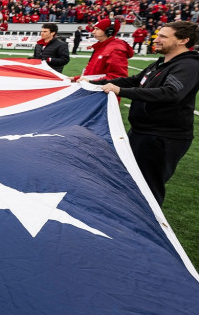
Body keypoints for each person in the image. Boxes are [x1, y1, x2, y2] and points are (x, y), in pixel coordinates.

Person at [99, 21, 199, 205]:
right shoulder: (162, 62)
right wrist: (97, 84)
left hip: (162, 137)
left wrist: (120, 91)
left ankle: (147, 228)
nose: (157, 39)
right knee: (131, 182)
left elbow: (171, 93)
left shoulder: (189, 65)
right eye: (158, 35)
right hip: (142, 131)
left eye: (163, 36)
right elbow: (135, 81)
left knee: (147, 188)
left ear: (183, 40)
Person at [72, 18, 132, 83]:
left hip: (101, 90)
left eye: (97, 29)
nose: (93, 32)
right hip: (93, 88)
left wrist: (91, 81)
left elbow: (117, 77)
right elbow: (94, 73)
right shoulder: (102, 46)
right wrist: (75, 78)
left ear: (109, 31)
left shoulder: (116, 50)